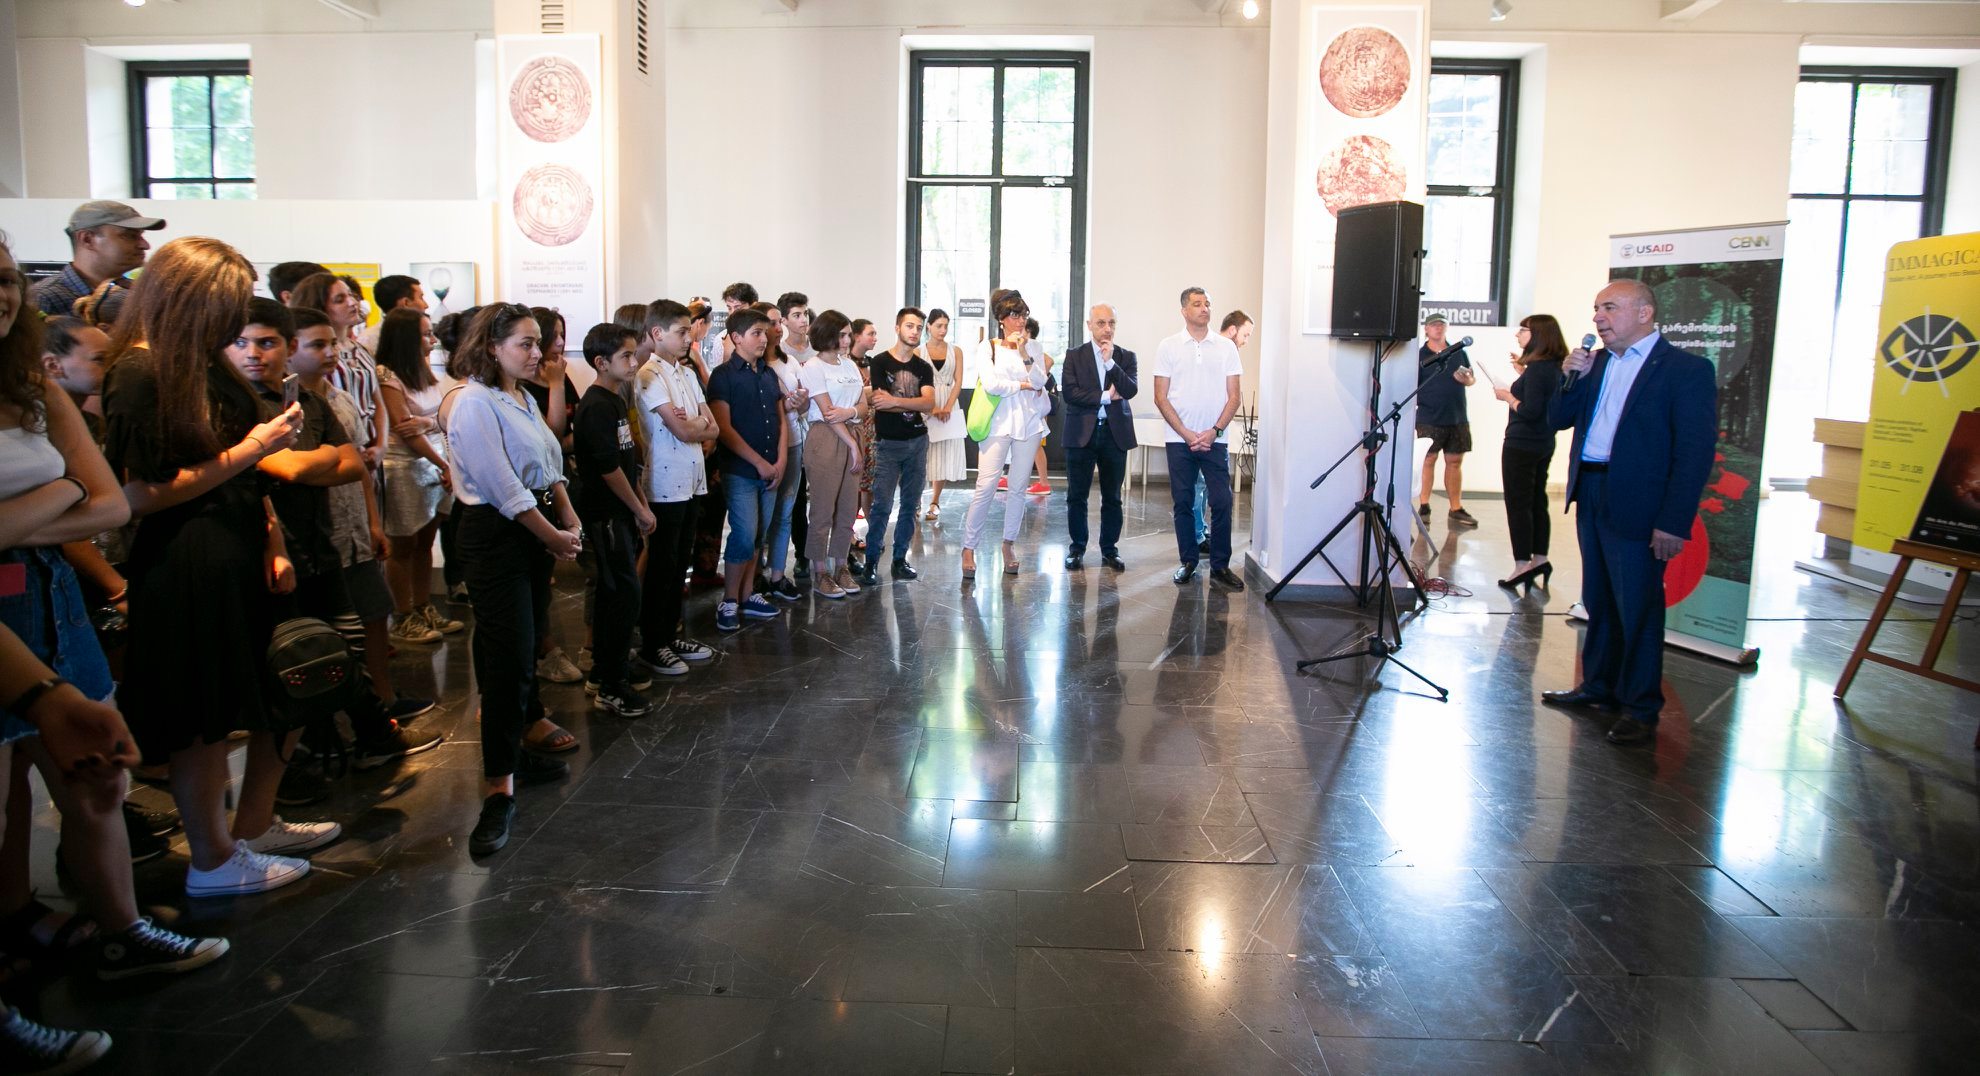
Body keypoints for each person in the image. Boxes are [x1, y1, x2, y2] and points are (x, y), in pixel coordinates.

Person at [0, 236, 231, 1008]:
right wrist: (67, 489)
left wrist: (43, 506)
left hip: (49, 595)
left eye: (7, 279)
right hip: (19, 597)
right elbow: (98, 493)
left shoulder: (32, 388)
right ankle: (19, 930)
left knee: (99, 775)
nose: (2, 294)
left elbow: (107, 503)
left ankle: (121, 930)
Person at [100, 236, 315, 896]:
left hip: (232, 545)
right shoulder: (140, 372)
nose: (236, 320)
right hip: (188, 557)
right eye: (227, 303)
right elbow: (142, 494)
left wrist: (271, 538)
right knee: (199, 718)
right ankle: (213, 859)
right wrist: (254, 447)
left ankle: (230, 843)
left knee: (231, 710)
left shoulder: (193, 362)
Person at [1542, 279, 1718, 746]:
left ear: (1644, 313)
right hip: (1592, 489)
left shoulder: (1685, 370)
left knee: (1638, 606)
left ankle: (1640, 707)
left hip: (1641, 503)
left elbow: (1694, 453)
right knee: (1599, 599)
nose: (1598, 317)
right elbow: (1557, 419)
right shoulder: (1595, 363)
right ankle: (1598, 686)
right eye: (1596, 308)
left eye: (1610, 308)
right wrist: (1570, 378)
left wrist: (1673, 521)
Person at [445, 304, 581, 856]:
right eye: (525, 343)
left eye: (538, 342)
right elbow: (503, 487)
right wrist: (553, 535)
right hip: (497, 534)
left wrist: (567, 516)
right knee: (508, 658)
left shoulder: (519, 396)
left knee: (521, 649)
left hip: (531, 530)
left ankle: (516, 752)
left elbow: (548, 464)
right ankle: (497, 789)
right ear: (491, 347)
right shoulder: (474, 401)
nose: (537, 353)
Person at [284, 307, 443, 768]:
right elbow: (303, 470)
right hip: (317, 534)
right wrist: (335, 463)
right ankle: (333, 730)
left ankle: (383, 703)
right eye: (318, 345)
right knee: (331, 635)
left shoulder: (334, 397)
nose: (331, 352)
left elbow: (357, 466)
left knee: (374, 615)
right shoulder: (286, 406)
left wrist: (373, 522)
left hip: (354, 521)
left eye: (331, 343)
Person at [571, 323, 652, 717]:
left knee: (620, 594)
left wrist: (640, 505)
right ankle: (610, 684)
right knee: (619, 596)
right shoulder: (595, 406)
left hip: (621, 513)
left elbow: (626, 461)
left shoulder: (616, 399)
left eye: (634, 354)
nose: (634, 362)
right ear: (601, 362)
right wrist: (639, 508)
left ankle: (608, 670)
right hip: (605, 515)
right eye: (626, 356)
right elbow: (608, 470)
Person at [633, 299, 716, 675]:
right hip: (665, 482)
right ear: (657, 333)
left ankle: (669, 633)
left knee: (680, 562)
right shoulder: (649, 375)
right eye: (681, 332)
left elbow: (713, 427)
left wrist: (694, 425)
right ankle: (653, 643)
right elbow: (683, 429)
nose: (688, 338)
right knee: (662, 566)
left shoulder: (686, 372)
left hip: (691, 478)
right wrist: (694, 425)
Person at [375, 307, 462, 640]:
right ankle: (402, 615)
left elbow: (434, 419)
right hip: (404, 467)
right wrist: (444, 463)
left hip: (434, 463)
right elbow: (405, 429)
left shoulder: (422, 369)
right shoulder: (386, 374)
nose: (433, 340)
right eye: (426, 334)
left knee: (426, 541)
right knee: (403, 544)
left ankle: (424, 606)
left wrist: (428, 426)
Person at [1153, 286, 1244, 590]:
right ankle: (1189, 561)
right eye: (1197, 304)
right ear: (1184, 311)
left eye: (1207, 303)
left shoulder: (1226, 347)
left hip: (1215, 439)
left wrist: (1214, 431)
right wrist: (1187, 433)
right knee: (1183, 501)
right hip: (1180, 440)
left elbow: (1234, 397)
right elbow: (1160, 397)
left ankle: (1220, 566)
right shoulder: (1168, 346)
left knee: (1222, 500)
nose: (1204, 308)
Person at [706, 308, 788, 632]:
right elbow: (723, 428)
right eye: (756, 332)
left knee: (759, 534)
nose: (764, 338)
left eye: (764, 332)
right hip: (741, 469)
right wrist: (759, 463)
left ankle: (747, 594)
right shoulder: (723, 376)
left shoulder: (768, 374)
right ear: (737, 337)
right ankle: (729, 599)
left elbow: (781, 420)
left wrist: (780, 461)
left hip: (771, 468)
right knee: (743, 533)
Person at [961, 291, 1053, 579]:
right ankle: (968, 547)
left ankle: (1009, 544)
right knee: (986, 485)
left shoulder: (1034, 347)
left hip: (1029, 424)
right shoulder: (987, 347)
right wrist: (1021, 385)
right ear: (1001, 319)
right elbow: (991, 384)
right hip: (997, 424)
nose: (1020, 321)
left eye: (1023, 315)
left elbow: (1041, 380)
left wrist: (1024, 355)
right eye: (1014, 315)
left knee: (1018, 488)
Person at [519, 307, 586, 688]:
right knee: (531, 582)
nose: (560, 343)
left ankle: (543, 649)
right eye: (553, 335)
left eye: (563, 334)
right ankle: (543, 652)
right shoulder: (530, 385)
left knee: (542, 579)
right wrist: (556, 385)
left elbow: (570, 436)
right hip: (531, 492)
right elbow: (554, 435)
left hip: (558, 484)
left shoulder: (556, 375)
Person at [1060, 302, 1137, 572]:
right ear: (1089, 325)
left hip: (1115, 435)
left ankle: (1109, 550)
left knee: (1112, 497)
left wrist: (1110, 362)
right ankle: (1077, 548)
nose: (1107, 328)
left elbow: (1130, 390)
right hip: (1081, 434)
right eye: (1101, 323)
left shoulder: (1126, 357)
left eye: (1111, 323)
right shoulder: (1074, 356)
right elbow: (1070, 393)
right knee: (1077, 496)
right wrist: (1105, 396)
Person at [797, 309, 869, 598]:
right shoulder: (813, 367)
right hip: (826, 437)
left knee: (848, 508)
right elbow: (827, 412)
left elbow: (863, 405)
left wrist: (849, 413)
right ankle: (820, 571)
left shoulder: (849, 365)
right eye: (842, 335)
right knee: (823, 509)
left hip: (852, 432)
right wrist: (851, 443)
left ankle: (841, 565)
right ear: (827, 334)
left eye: (849, 335)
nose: (847, 340)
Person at [1494, 314, 1569, 591]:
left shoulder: (1538, 369)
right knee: (1537, 501)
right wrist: (1523, 375)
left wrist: (1508, 396)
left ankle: (1522, 564)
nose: (1518, 335)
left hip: (1521, 443)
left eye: (1523, 330)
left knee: (1518, 504)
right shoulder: (1551, 366)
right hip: (1542, 442)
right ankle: (1540, 559)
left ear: (1538, 334)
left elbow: (1530, 410)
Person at [861, 308, 935, 585]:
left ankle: (899, 559)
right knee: (882, 505)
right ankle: (870, 561)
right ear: (897, 328)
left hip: (917, 442)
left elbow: (929, 403)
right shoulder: (880, 362)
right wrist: (908, 403)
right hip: (888, 444)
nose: (915, 332)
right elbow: (880, 402)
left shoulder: (923, 367)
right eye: (910, 326)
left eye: (919, 327)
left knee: (910, 505)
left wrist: (896, 401)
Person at [289, 272, 388, 476]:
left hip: (369, 448)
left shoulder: (360, 349)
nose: (352, 303)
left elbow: (378, 402)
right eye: (339, 299)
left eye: (351, 295)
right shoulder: (310, 358)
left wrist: (381, 445)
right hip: (337, 448)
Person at [28, 201, 166, 325]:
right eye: (130, 236)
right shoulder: (44, 299)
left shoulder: (135, 294)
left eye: (141, 236)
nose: (145, 245)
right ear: (87, 239)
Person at [764, 292, 813, 598]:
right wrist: (787, 405)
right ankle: (754, 577)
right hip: (765, 446)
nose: (776, 329)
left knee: (786, 511)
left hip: (794, 441)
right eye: (770, 323)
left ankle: (778, 574)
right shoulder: (753, 367)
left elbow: (803, 403)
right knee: (761, 517)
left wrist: (801, 401)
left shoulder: (790, 361)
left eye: (775, 323)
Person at [1197, 309, 1254, 550]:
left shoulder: (1226, 352)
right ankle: (1197, 537)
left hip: (1215, 432)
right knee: (1197, 487)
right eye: (1245, 335)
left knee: (1207, 489)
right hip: (1199, 431)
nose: (1246, 341)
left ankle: (1201, 532)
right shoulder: (1210, 350)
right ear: (1232, 330)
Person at [1415, 313, 1478, 527]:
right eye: (1433, 325)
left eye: (1441, 324)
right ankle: (1424, 504)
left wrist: (1467, 380)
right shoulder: (1420, 356)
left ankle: (1456, 508)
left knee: (1455, 461)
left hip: (1457, 416)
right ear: (1426, 329)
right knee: (1428, 460)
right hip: (1429, 417)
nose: (1438, 328)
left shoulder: (1458, 352)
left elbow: (1471, 379)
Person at [920, 308, 966, 519]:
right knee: (924, 452)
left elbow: (958, 380)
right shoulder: (918, 352)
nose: (943, 330)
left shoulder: (956, 351)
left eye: (946, 326)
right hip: (926, 402)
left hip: (949, 401)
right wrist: (932, 408)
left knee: (944, 453)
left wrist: (948, 405)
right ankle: (916, 501)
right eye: (939, 326)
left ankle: (935, 501)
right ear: (929, 326)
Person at [848, 317, 881, 559]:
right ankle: (848, 532)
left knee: (870, 485)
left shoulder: (871, 363)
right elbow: (853, 396)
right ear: (857, 336)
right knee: (853, 484)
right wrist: (871, 393)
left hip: (872, 430)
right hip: (853, 429)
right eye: (871, 333)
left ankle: (873, 533)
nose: (875, 338)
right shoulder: (845, 364)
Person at [357, 274, 426, 353]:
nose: (426, 305)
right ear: (406, 303)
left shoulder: (418, 332)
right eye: (421, 298)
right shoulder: (369, 340)